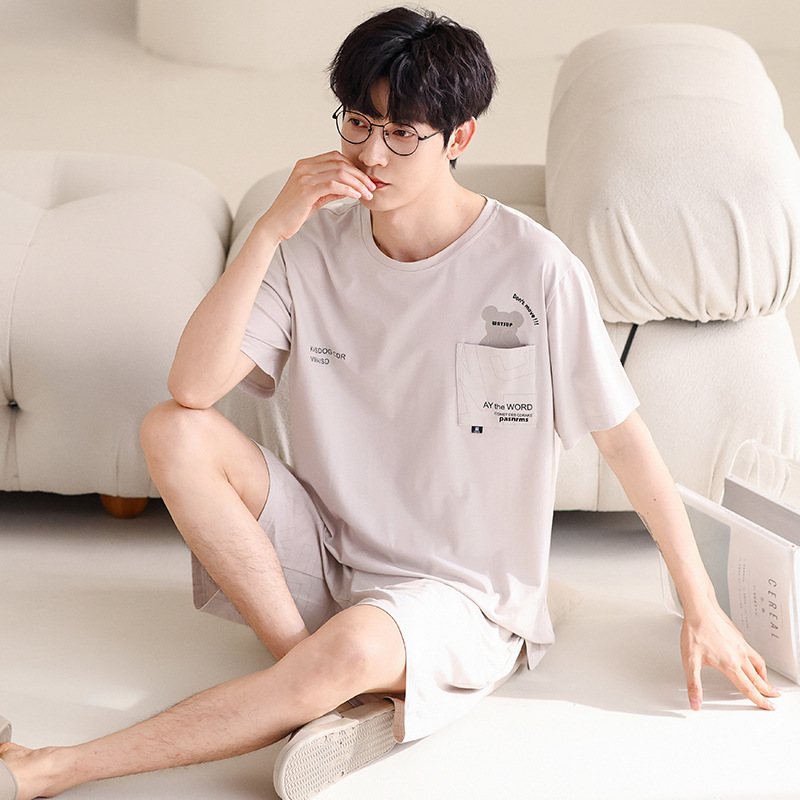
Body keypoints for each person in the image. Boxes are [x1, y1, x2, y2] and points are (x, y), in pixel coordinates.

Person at [0, 7, 781, 800]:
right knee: (172, 431)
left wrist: (702, 604)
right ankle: (319, 685)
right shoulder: (311, 246)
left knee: (345, 652)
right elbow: (192, 390)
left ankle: (54, 766)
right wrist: (268, 232)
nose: (371, 155)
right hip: (324, 554)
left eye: (403, 133)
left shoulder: (536, 269)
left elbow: (625, 442)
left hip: (457, 596)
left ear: (459, 137)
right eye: (358, 123)